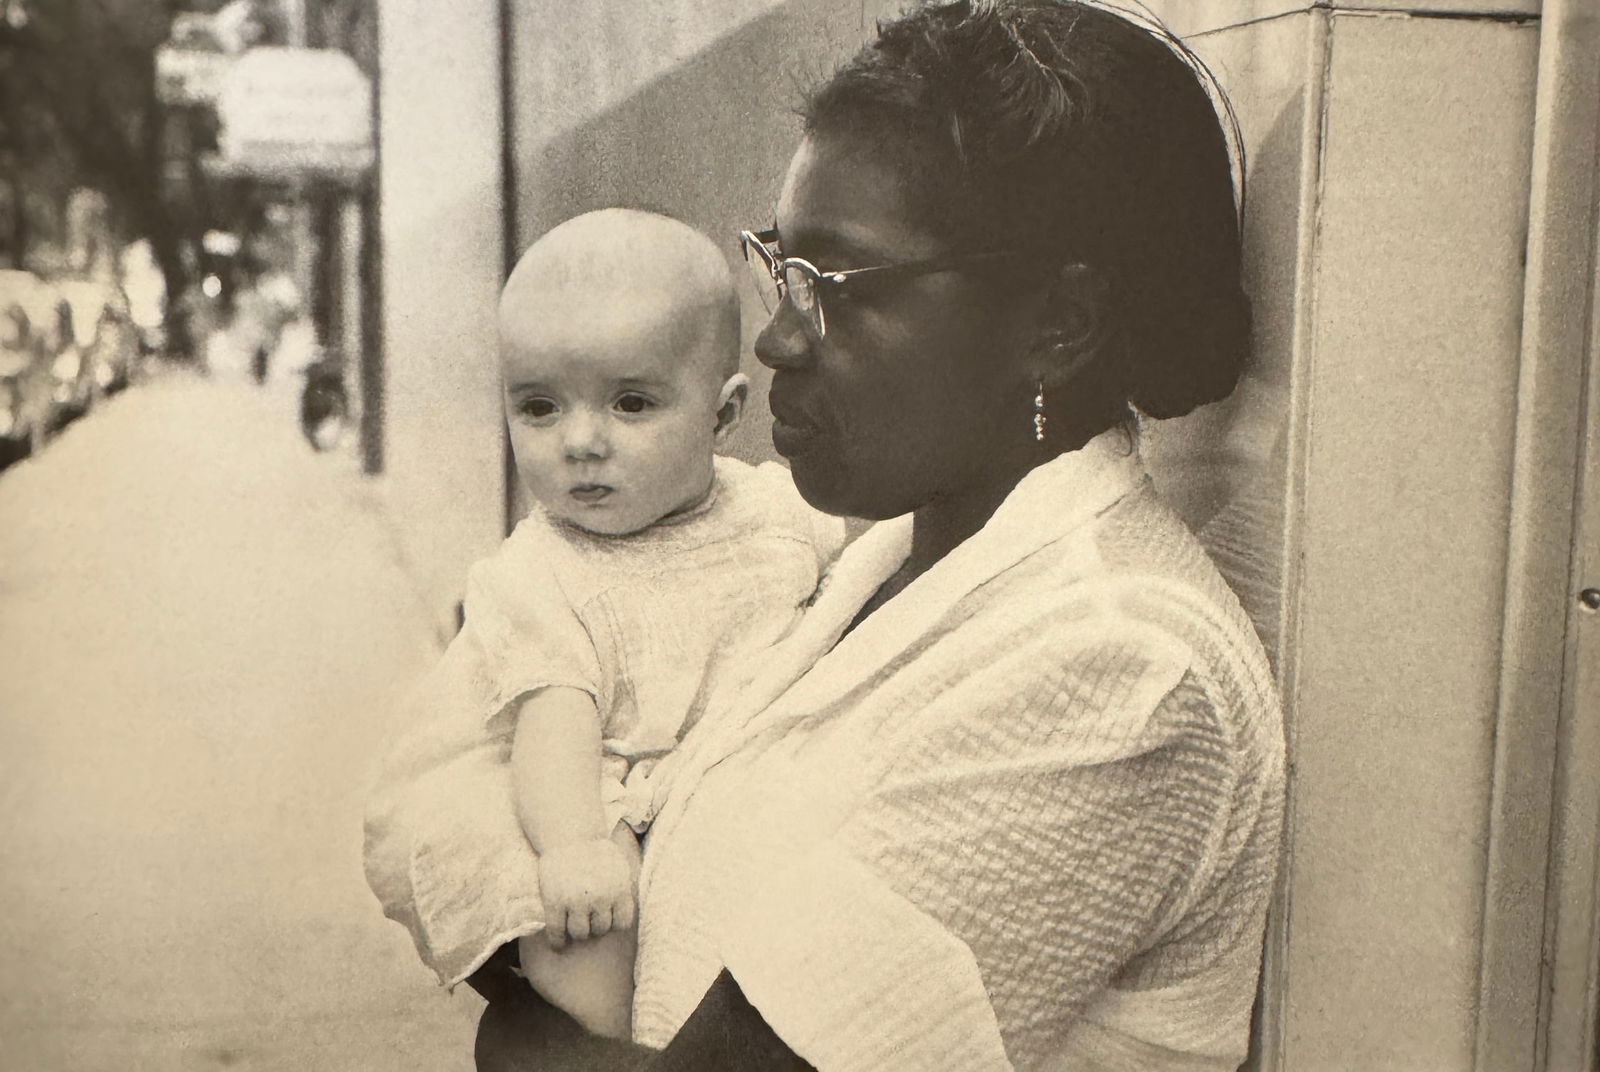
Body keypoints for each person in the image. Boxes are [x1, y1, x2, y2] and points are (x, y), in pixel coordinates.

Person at [471, 1, 1286, 1068]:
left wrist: (515, 1029)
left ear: (1058, 325)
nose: (774, 339)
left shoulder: (1124, 673)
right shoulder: (878, 563)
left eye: (835, 287)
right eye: (780, 268)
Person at [363, 209, 845, 1040]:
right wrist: (574, 848)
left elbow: (841, 595)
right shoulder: (541, 572)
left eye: (630, 404)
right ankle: (617, 1048)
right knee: (589, 940)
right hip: (600, 795)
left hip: (739, 774)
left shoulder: (776, 513)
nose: (581, 443)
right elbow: (557, 720)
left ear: (723, 416)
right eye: (540, 408)